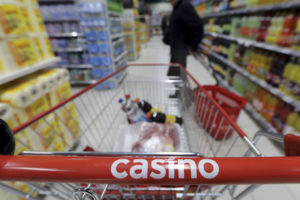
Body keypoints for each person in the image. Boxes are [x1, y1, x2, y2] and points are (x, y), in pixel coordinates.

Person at [163, 0, 204, 77]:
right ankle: (177, 88)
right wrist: (167, 38)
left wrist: (193, 47)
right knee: (173, 75)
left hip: (181, 49)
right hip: (175, 48)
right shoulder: (177, 7)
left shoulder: (185, 6)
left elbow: (198, 26)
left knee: (178, 76)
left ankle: (180, 89)